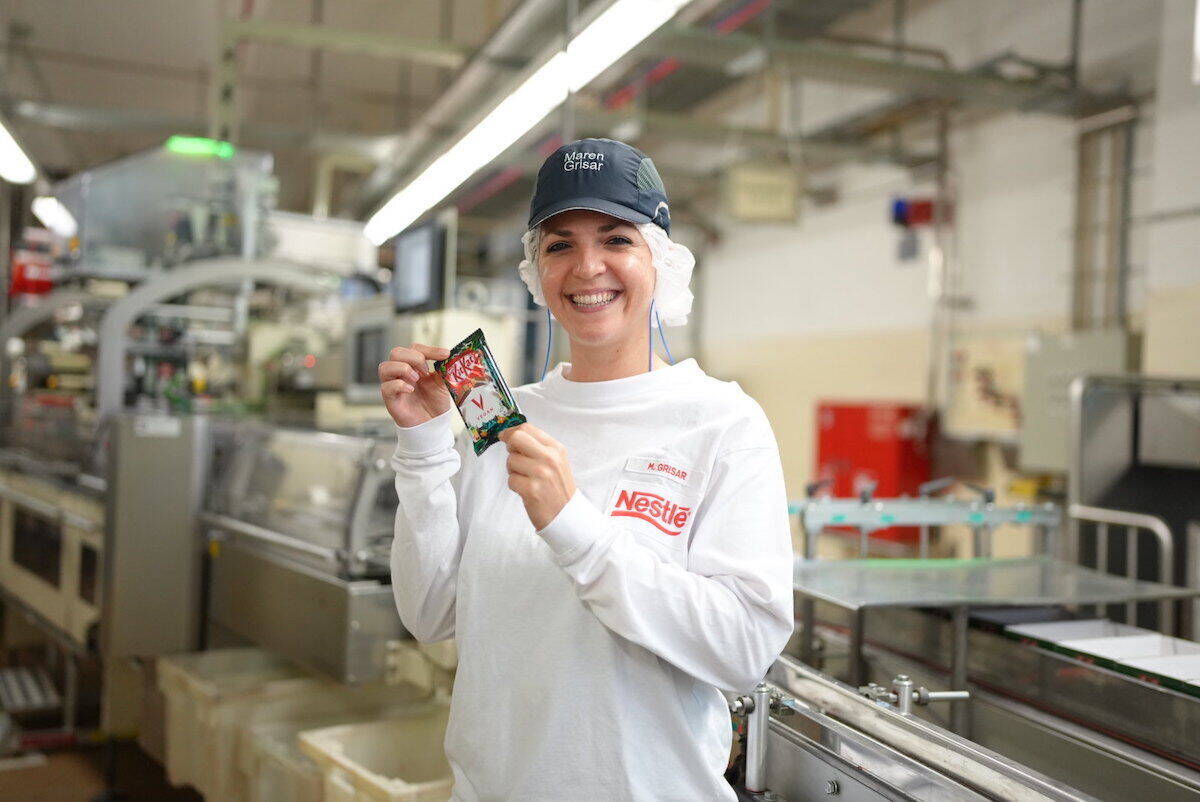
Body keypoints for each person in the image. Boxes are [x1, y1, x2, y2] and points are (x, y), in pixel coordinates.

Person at [380, 138, 793, 801]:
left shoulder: (722, 424)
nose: (587, 266)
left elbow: (745, 650)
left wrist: (577, 529)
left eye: (616, 239)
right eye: (559, 244)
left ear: (659, 261)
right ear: (535, 271)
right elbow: (429, 613)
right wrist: (425, 447)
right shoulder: (506, 421)